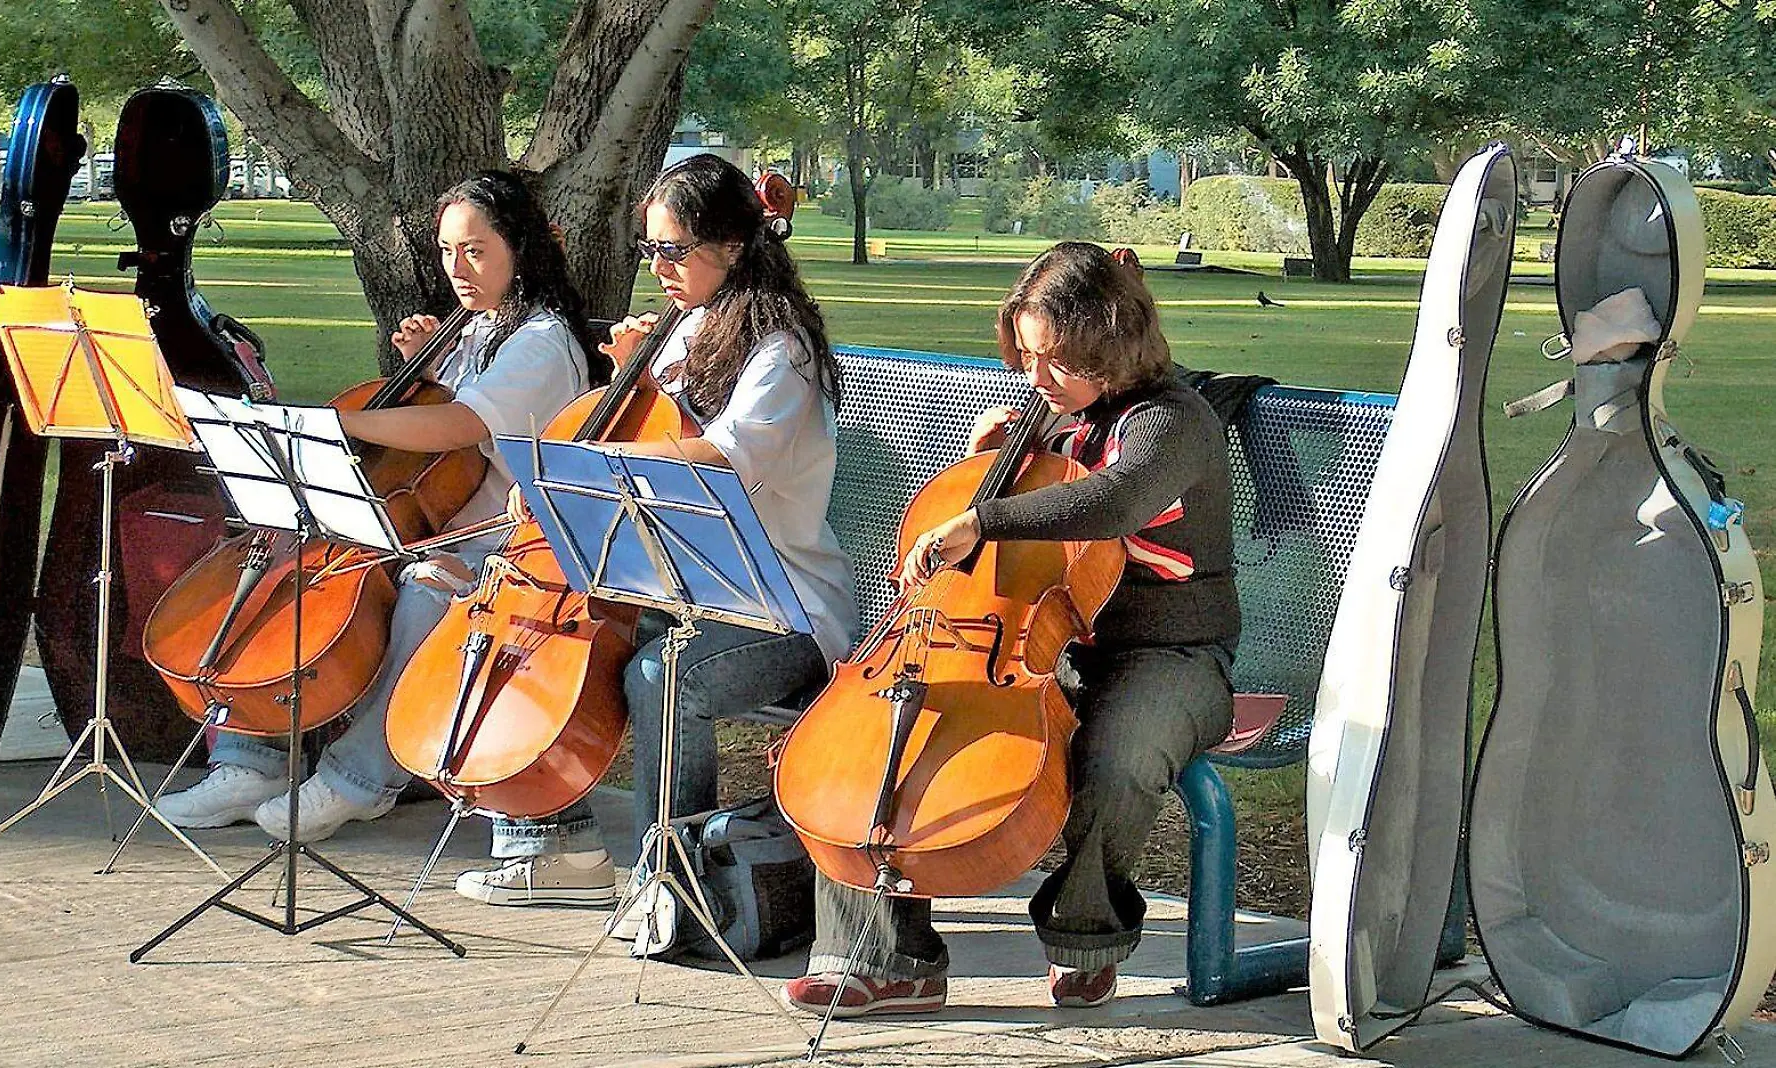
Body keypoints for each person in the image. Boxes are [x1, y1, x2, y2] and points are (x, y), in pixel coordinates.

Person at [784, 241, 1241, 1015]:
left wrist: (985, 517)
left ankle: (1084, 932)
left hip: (1169, 649)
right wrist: (984, 466)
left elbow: (1117, 500)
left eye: (1056, 361)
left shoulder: (1175, 423)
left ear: (1113, 346)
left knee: (1118, 754)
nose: (1034, 379)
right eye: (1025, 356)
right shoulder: (1049, 419)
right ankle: (885, 956)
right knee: (890, 730)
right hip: (1029, 647)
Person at [452, 153, 858, 908]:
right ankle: (555, 843)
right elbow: (646, 425)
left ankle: (669, 879)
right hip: (686, 593)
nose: (658, 267)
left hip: (782, 606)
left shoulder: (782, 348)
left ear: (733, 247)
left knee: (660, 675)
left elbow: (722, 456)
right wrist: (624, 380)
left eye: (673, 249)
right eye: (650, 250)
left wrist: (594, 468)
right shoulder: (690, 326)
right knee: (561, 648)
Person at [154, 169, 606, 842]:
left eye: (476, 250)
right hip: (429, 527)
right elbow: (430, 431)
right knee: (294, 573)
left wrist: (347, 423)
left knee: (423, 593)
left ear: (524, 249)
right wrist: (419, 370)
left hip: (501, 544)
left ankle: (360, 780)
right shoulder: (476, 327)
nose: (457, 267)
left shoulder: (541, 341)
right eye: (448, 250)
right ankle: (255, 758)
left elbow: (457, 428)